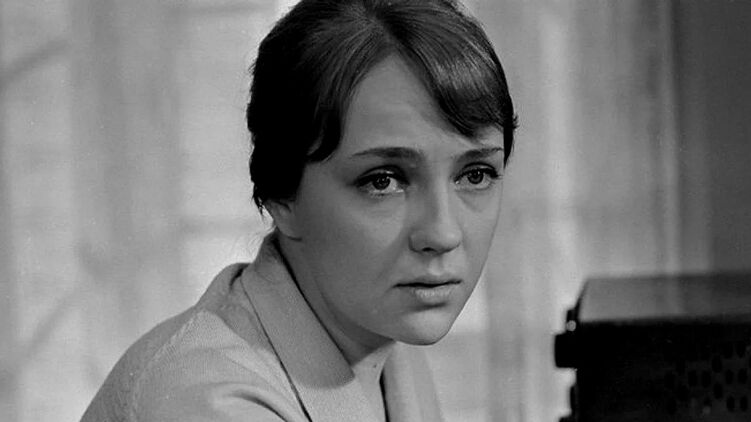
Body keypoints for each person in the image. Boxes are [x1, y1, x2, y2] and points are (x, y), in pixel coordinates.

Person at [80, 0, 516, 421]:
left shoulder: (381, 335)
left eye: (475, 174)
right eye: (382, 181)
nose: (442, 234)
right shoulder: (208, 402)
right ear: (281, 193)